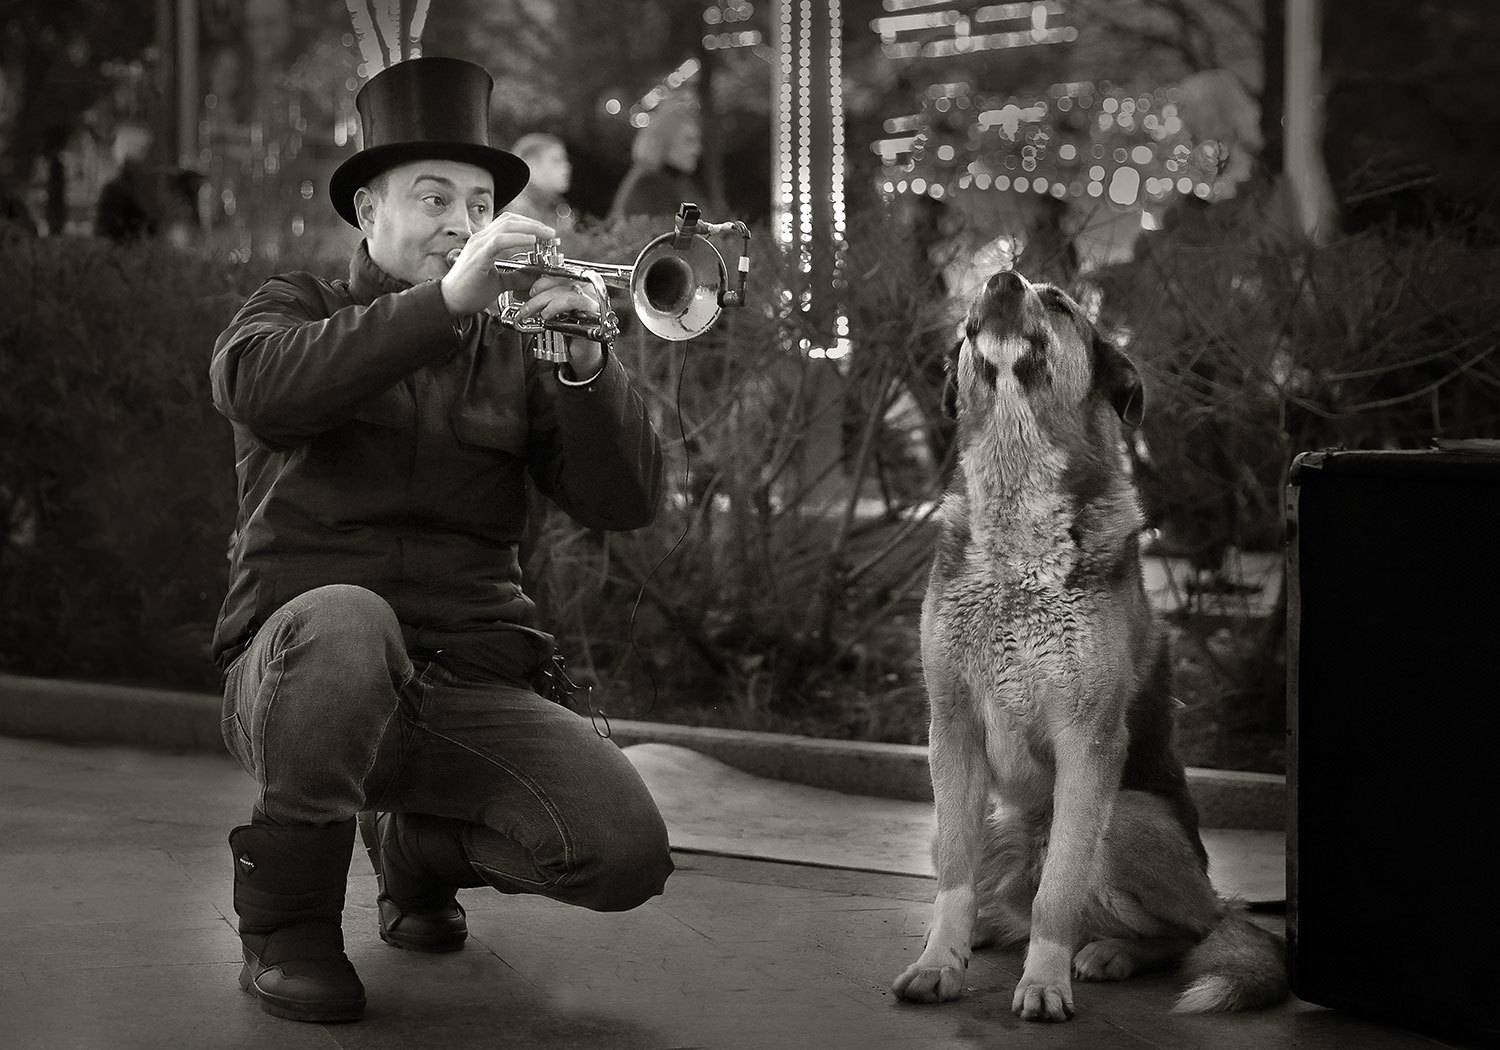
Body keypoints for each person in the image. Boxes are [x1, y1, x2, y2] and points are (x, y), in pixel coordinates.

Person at [209, 56, 671, 1024]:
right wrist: (444, 306)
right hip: (299, 676)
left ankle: (416, 850)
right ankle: (287, 928)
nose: (463, 223)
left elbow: (623, 502)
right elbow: (260, 391)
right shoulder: (293, 308)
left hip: (467, 677)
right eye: (433, 199)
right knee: (347, 620)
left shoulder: (517, 349)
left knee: (622, 852)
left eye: (480, 204)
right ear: (366, 210)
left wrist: (586, 370)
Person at [607, 100, 705, 221]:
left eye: (698, 141)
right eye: (688, 140)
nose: (697, 150)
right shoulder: (649, 185)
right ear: (664, 140)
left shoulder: (676, 182)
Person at [507, 132, 575, 231]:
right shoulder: (515, 213)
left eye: (565, 160)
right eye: (556, 161)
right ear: (530, 166)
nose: (567, 167)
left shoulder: (556, 208)